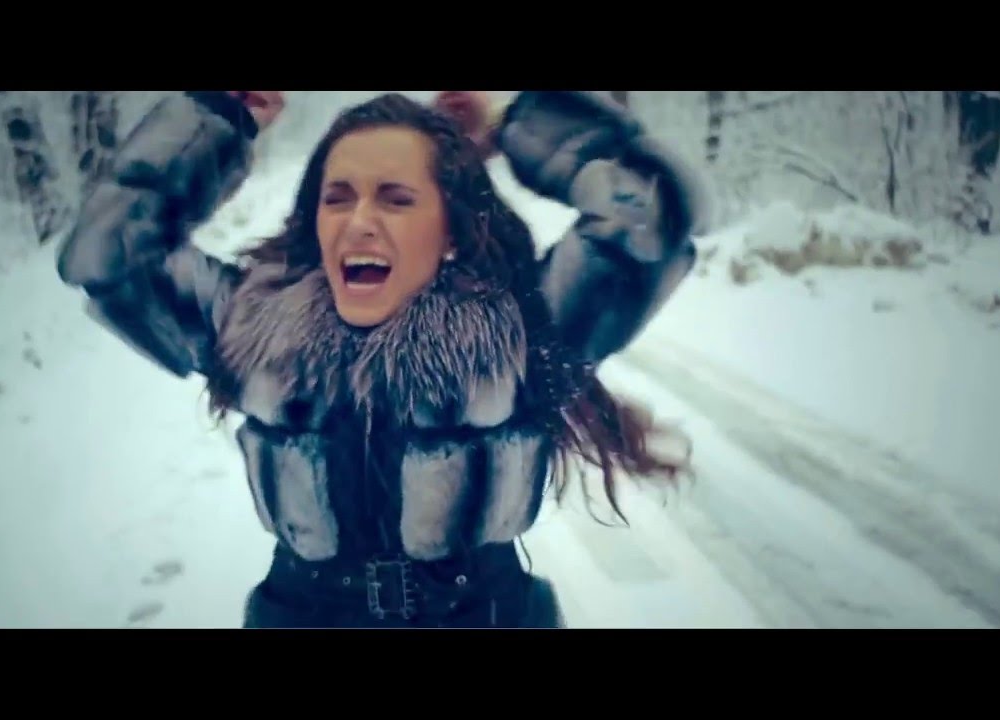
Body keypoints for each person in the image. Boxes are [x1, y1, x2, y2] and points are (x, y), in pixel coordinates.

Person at [56, 89, 713, 628]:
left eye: (397, 199)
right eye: (337, 197)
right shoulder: (253, 327)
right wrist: (214, 119)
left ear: (450, 225)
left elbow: (653, 213)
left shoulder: (522, 330)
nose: (358, 221)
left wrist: (516, 118)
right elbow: (105, 253)